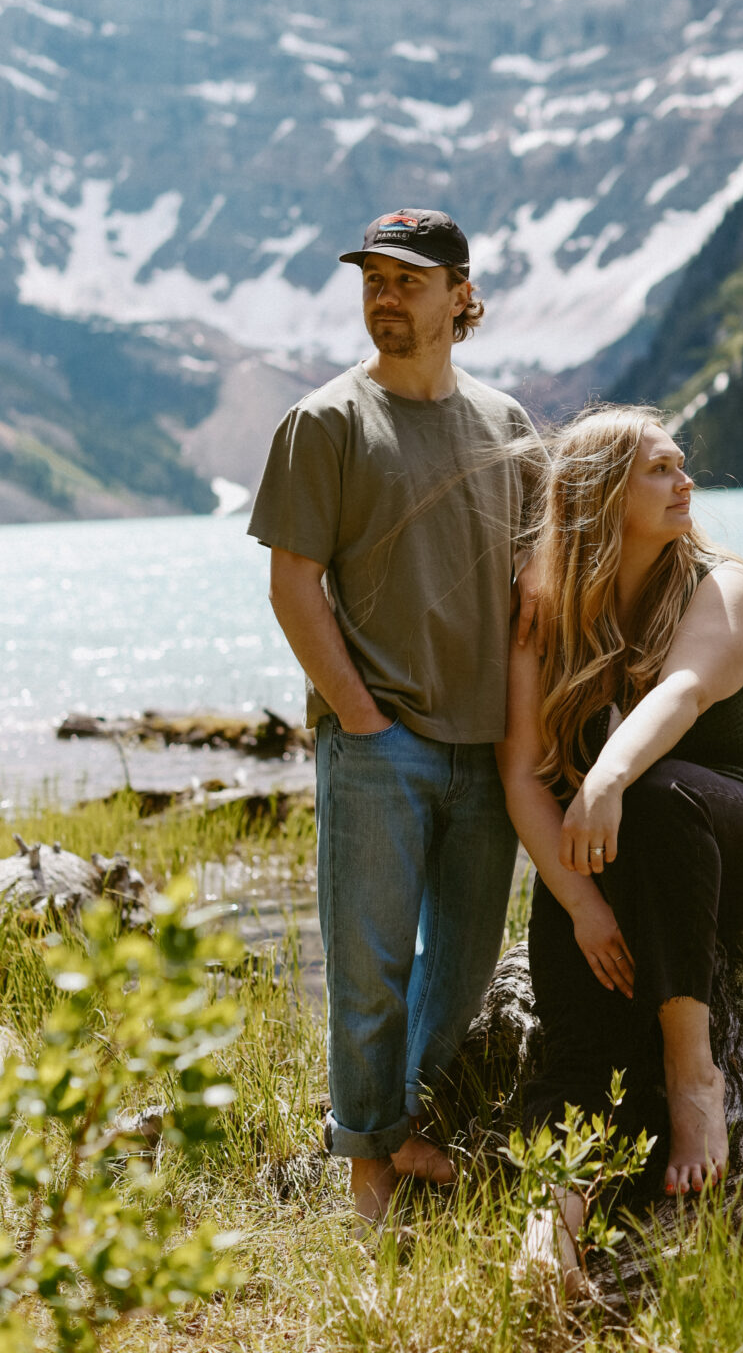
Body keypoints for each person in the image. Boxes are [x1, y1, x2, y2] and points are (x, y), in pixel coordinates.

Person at [248, 207, 539, 1225]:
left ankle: (405, 1122)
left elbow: (538, 582)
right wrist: (363, 720)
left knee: (460, 963)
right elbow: (294, 586)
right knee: (368, 965)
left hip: (491, 749)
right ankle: (369, 1165)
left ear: (461, 296)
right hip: (382, 744)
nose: (385, 295)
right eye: (372, 277)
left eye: (409, 279)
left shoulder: (508, 426)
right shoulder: (326, 423)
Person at [496, 406, 743, 1293]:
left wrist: (602, 781)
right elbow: (518, 773)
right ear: (600, 496)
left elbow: (681, 691)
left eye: (682, 466)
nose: (686, 483)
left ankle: (691, 1074)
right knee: (577, 1044)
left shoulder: (721, 581)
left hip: (734, 838)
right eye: (660, 471)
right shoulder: (543, 602)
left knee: (658, 793)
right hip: (611, 864)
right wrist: (583, 907)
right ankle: (546, 1233)